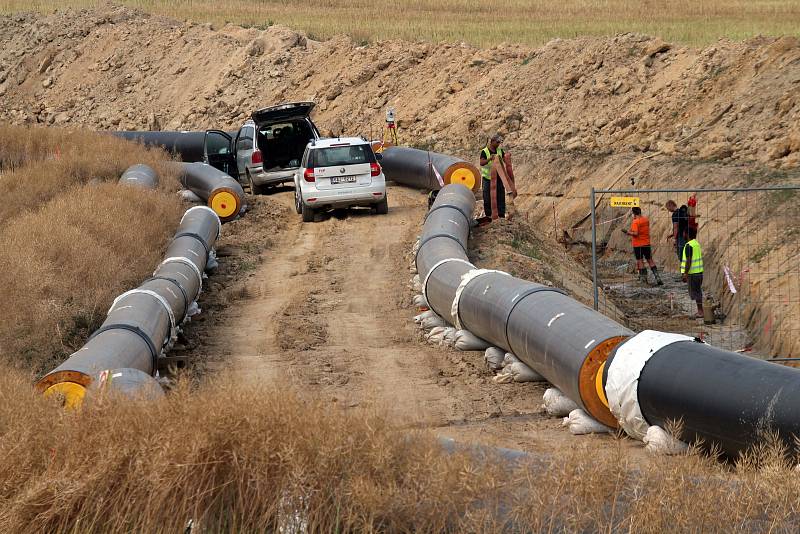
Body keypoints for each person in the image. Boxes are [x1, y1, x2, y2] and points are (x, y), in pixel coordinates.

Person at [621, 207, 663, 285]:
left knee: (640, 261)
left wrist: (627, 232)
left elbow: (636, 233)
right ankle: (657, 277)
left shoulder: (635, 222)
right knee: (650, 260)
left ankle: (644, 280)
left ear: (633, 213)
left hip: (638, 245)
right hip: (646, 243)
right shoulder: (646, 220)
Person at [479, 133, 517, 218]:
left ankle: (501, 214)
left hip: (499, 178)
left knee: (500, 196)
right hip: (487, 179)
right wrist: (489, 159)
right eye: (497, 142)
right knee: (488, 198)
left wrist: (507, 157)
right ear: (492, 142)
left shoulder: (500, 150)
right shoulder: (485, 151)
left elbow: (504, 160)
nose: (498, 144)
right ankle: (489, 215)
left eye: (499, 143)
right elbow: (481, 162)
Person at [681, 226, 704, 318]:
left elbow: (688, 261)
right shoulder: (696, 244)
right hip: (699, 272)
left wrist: (685, 274)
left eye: (683, 233)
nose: (682, 235)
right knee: (698, 291)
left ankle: (700, 312)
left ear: (686, 234)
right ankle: (700, 310)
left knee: (696, 292)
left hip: (693, 273)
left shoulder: (688, 246)